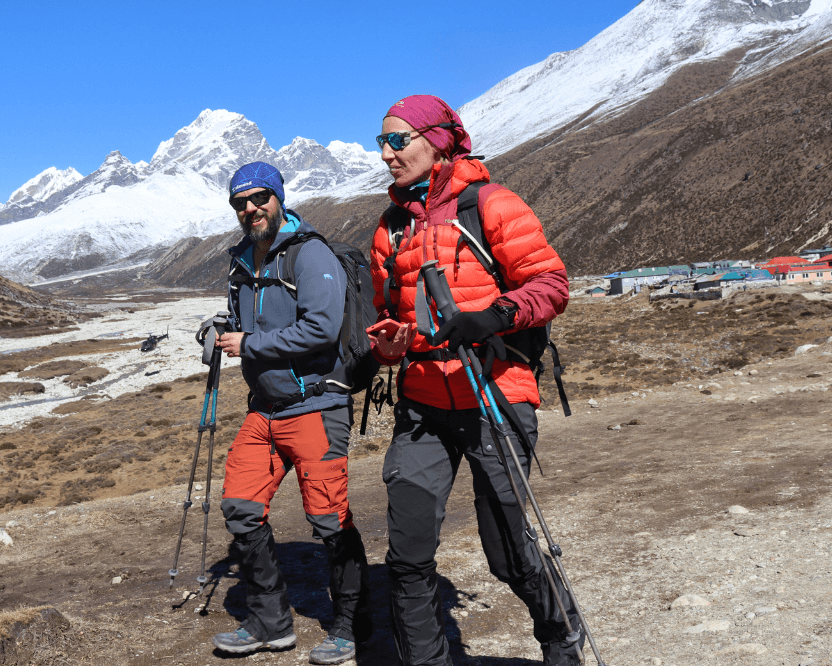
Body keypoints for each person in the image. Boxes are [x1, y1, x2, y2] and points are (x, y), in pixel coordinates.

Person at [368, 96, 584, 666]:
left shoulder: (490, 205)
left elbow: (552, 285)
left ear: (438, 139)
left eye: (397, 140)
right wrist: (392, 344)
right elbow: (393, 319)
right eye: (381, 143)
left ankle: (561, 637)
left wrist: (492, 316)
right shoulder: (389, 231)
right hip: (422, 404)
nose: (386, 154)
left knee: (509, 552)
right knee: (408, 556)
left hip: (495, 394)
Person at [211, 161, 371, 665]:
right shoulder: (243, 260)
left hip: (315, 406)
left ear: (279, 197)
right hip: (266, 409)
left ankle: (349, 625)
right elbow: (249, 321)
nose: (250, 209)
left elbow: (322, 328)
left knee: (329, 518)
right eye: (240, 203)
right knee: (240, 506)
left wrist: (251, 344)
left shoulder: (310, 254)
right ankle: (270, 622)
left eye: (259, 199)